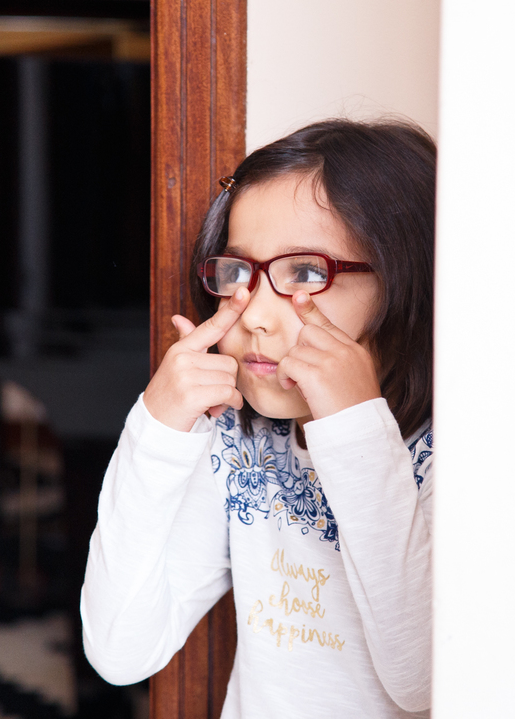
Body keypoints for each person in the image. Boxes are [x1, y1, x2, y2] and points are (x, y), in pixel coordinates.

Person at [81, 119, 436, 717]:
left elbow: (421, 681)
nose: (256, 316)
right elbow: (120, 650)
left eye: (303, 272)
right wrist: (157, 429)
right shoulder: (242, 443)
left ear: (404, 279)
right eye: (239, 272)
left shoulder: (450, 455)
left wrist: (354, 429)